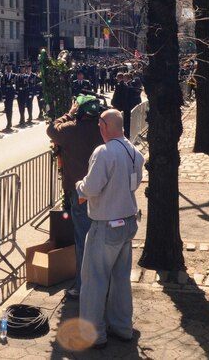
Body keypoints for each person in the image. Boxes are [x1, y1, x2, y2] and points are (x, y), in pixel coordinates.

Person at [75, 109, 145, 349]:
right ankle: (122, 326)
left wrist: (79, 187)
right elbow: (134, 185)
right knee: (120, 279)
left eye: (99, 125)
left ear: (104, 126)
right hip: (128, 221)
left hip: (106, 224)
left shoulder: (104, 152)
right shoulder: (136, 152)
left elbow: (92, 187)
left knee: (94, 280)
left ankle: (94, 333)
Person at [46, 96, 105, 300]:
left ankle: (82, 285)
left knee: (83, 240)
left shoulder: (71, 129)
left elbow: (52, 130)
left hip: (79, 193)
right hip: (102, 192)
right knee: (101, 239)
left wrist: (68, 113)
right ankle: (101, 281)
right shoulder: (102, 128)